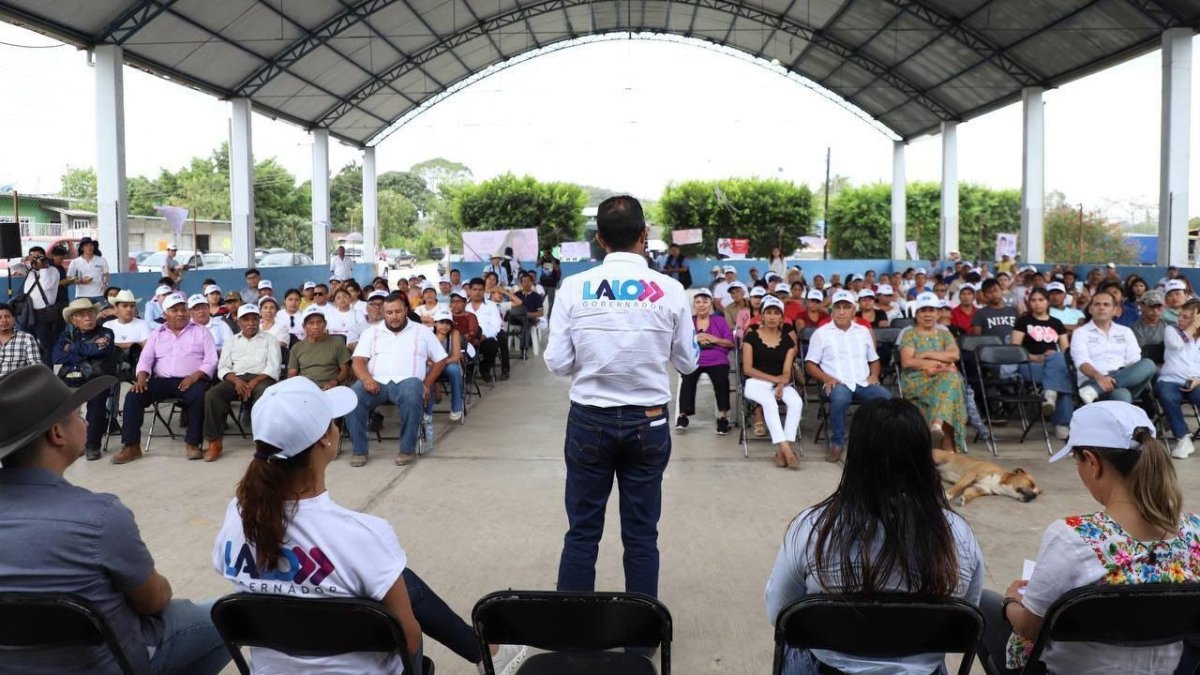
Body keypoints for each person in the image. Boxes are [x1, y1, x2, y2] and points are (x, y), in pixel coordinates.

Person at [212, 376, 526, 675]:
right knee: (392, 582)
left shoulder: (236, 516)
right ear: (326, 439)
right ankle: (488, 654)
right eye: (334, 423)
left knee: (393, 578)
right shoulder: (361, 533)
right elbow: (409, 640)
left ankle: (488, 652)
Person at [0, 365, 230, 675]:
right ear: (57, 434)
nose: (85, 421)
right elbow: (154, 601)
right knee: (225, 615)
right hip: (107, 664)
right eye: (79, 416)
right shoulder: (99, 517)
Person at [545, 195, 697, 601]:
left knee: (582, 531)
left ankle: (573, 636)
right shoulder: (670, 290)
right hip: (648, 423)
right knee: (642, 534)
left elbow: (558, 363)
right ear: (644, 235)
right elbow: (687, 362)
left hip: (589, 422)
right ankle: (641, 636)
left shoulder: (574, 289)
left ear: (599, 239)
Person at [767, 398, 984, 675]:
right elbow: (965, 619)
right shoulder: (957, 534)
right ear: (924, 456)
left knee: (791, 640)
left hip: (828, 669)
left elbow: (779, 613)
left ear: (856, 455)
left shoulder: (812, 528)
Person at [980, 401, 1200, 674]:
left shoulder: (1073, 537)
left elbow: (1028, 626)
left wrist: (1011, 601)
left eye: (1077, 462)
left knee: (984, 602)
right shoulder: (1193, 531)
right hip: (1169, 669)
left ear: (1093, 462)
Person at [345, 292, 448, 467]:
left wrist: (427, 384)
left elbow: (440, 359)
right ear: (383, 313)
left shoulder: (422, 331)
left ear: (406, 310)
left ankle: (407, 449)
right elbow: (358, 360)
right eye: (389, 312)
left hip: (409, 381)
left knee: (411, 393)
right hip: (376, 381)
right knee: (353, 397)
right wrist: (366, 378)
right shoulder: (372, 332)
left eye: (398, 312)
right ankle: (359, 451)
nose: (394, 316)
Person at [114, 292, 217, 465]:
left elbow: (211, 360)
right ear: (164, 315)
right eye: (174, 310)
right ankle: (131, 446)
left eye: (183, 309)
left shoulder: (201, 332)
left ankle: (193, 444)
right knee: (133, 396)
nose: (180, 313)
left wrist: (193, 377)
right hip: (162, 380)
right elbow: (146, 358)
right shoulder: (156, 334)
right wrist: (141, 378)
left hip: (192, 379)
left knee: (199, 396)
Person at [805, 290, 892, 462]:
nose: (842, 311)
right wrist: (826, 378)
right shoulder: (821, 334)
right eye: (838, 308)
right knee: (840, 399)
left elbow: (874, 359)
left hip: (862, 382)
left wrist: (874, 375)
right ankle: (837, 443)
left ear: (854, 310)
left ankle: (880, 440)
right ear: (832, 311)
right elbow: (809, 364)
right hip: (836, 382)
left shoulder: (863, 331)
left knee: (887, 398)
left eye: (846, 307)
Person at [202, 304, 281, 462]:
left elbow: (274, 367)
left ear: (259, 320)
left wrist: (254, 381)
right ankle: (214, 442)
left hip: (262, 378)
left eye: (254, 318)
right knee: (212, 395)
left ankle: (264, 441)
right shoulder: (231, 341)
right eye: (246, 319)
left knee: (265, 395)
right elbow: (223, 367)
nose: (250, 322)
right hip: (235, 378)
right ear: (238, 322)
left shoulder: (270, 339)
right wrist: (237, 381)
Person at [899, 292, 969, 453]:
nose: (928, 314)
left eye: (931, 310)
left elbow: (954, 355)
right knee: (953, 378)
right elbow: (908, 362)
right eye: (923, 310)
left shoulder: (944, 334)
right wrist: (941, 363)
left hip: (942, 379)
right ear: (916, 314)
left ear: (938, 313)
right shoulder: (910, 334)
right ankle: (948, 446)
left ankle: (938, 426)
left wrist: (926, 354)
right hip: (917, 380)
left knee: (951, 379)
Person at [52, 298, 119, 461]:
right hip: (71, 378)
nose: (88, 318)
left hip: (97, 378)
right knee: (54, 401)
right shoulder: (67, 334)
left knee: (97, 401)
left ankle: (92, 445)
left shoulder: (106, 333)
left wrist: (73, 348)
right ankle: (64, 442)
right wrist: (85, 353)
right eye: (82, 315)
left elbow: (98, 351)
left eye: (90, 313)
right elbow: (57, 356)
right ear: (74, 320)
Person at [742, 296, 803, 468]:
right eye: (768, 312)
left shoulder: (788, 341)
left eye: (776, 313)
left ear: (782, 318)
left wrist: (781, 384)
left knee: (796, 402)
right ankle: (786, 449)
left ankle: (781, 451)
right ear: (761, 316)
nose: (772, 317)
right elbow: (747, 369)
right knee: (769, 402)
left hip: (780, 383)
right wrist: (775, 380)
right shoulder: (751, 337)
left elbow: (786, 371)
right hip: (755, 383)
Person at [1070, 291, 1155, 405]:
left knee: (1148, 364)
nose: (1101, 307)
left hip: (1126, 380)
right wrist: (1099, 377)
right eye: (1097, 304)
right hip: (1092, 380)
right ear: (1090, 309)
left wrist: (1115, 377)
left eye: (1106, 304)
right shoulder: (1080, 333)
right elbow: (1081, 362)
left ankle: (1095, 390)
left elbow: (1133, 359)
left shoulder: (1125, 331)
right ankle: (1097, 388)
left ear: (1115, 310)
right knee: (1122, 395)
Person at [1011, 288, 1074, 441]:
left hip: (1052, 365)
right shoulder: (1023, 321)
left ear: (1047, 302)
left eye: (1041, 300)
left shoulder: (1056, 323)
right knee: (1062, 378)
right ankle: (1061, 425)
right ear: (1029, 303)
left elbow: (1066, 350)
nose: (1037, 304)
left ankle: (1050, 394)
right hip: (1029, 365)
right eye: (1033, 300)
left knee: (1059, 359)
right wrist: (1035, 357)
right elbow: (1014, 349)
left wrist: (1052, 357)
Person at [675, 288, 734, 435]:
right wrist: (694, 339)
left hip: (717, 358)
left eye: (705, 302)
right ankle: (683, 416)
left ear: (711, 304)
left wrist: (714, 339)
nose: (701, 305)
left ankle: (722, 417)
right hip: (695, 358)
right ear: (694, 305)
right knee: (687, 376)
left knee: (721, 379)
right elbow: (679, 342)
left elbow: (730, 342)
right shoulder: (688, 322)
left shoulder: (719, 321)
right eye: (698, 302)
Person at [1154, 298, 1200, 459]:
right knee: (1167, 395)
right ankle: (1183, 439)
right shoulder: (1171, 330)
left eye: (1186, 317)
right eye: (1179, 315)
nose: (1179, 319)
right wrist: (1193, 326)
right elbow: (1176, 345)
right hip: (1170, 381)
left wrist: (1198, 380)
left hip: (1195, 381)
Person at [287, 306, 353, 389]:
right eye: (311, 323)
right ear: (304, 326)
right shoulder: (297, 347)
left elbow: (345, 370)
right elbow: (292, 374)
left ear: (325, 324)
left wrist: (335, 382)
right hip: (306, 390)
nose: (316, 327)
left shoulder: (337, 342)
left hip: (332, 388)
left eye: (319, 322)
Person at [22, 245, 62, 363]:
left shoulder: (53, 271)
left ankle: (47, 374)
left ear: (45, 256)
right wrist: (25, 258)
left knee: (46, 346)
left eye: (39, 256)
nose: (36, 259)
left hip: (43, 314)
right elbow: (11, 265)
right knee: (27, 345)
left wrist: (43, 267)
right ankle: (31, 372)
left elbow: (46, 286)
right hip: (27, 312)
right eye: (33, 256)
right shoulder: (29, 270)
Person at [466, 278, 509, 381]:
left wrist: (483, 336)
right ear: (469, 290)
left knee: (492, 346)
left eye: (480, 290)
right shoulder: (465, 307)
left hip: (486, 338)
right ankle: (468, 373)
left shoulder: (491, 306)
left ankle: (484, 368)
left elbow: (496, 326)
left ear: (484, 290)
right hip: (468, 338)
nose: (477, 292)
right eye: (475, 289)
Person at [428, 308, 466, 424]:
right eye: (441, 322)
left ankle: (456, 405)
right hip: (432, 365)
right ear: (435, 323)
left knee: (454, 369)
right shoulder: (428, 333)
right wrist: (432, 364)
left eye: (448, 323)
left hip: (448, 364)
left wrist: (439, 363)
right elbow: (424, 356)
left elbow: (455, 356)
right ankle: (427, 409)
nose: (444, 326)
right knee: (424, 370)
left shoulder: (454, 334)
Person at [0, 302, 41, 376]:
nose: (4, 320)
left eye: (7, 316)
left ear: (14, 319)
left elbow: (36, 368)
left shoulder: (27, 339)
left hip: (15, 385)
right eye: (0, 317)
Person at [66, 236, 109, 302]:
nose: (89, 247)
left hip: (99, 295)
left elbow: (106, 274)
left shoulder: (102, 260)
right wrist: (81, 281)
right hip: (81, 295)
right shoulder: (75, 262)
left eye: (91, 245)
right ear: (82, 248)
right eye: (86, 245)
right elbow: (69, 279)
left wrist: (105, 284)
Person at [537, 251, 562, 316]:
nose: (546, 255)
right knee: (539, 301)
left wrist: (552, 260)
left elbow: (557, 269)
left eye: (546, 253)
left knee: (551, 302)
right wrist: (542, 258)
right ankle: (538, 314)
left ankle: (549, 316)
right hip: (543, 284)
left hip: (552, 285)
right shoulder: (543, 259)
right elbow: (537, 265)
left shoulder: (556, 260)